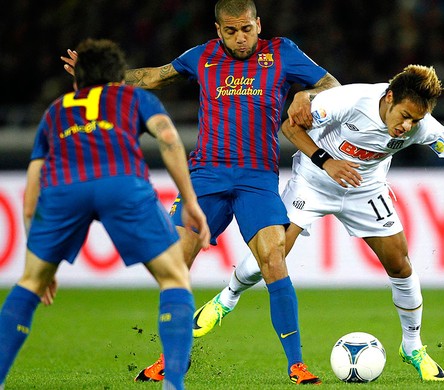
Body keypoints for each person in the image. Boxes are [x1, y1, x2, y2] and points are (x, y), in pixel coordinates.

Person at [60, 0, 339, 385]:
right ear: (217, 30)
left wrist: (305, 95)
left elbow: (332, 85)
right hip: (206, 177)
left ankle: (296, 364)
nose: (241, 38)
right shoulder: (201, 57)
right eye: (231, 31)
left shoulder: (282, 52)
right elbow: (152, 77)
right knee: (174, 266)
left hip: (256, 178)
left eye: (247, 29)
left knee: (273, 258)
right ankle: (171, 358)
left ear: (259, 23)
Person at [192, 64, 444, 382]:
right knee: (272, 255)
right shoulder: (348, 101)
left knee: (401, 264)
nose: (408, 126)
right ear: (390, 97)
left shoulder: (424, 127)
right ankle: (227, 298)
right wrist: (326, 161)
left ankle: (413, 347)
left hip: (365, 189)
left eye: (416, 120)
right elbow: (290, 127)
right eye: (405, 116)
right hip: (314, 181)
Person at [0, 38, 210, 390]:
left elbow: (35, 179)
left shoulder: (56, 110)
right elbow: (169, 136)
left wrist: (39, 258)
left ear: (77, 82)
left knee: (29, 284)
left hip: (64, 189)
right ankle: (173, 384)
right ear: (118, 78)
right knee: (175, 279)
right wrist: (190, 200)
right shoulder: (136, 97)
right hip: (122, 185)